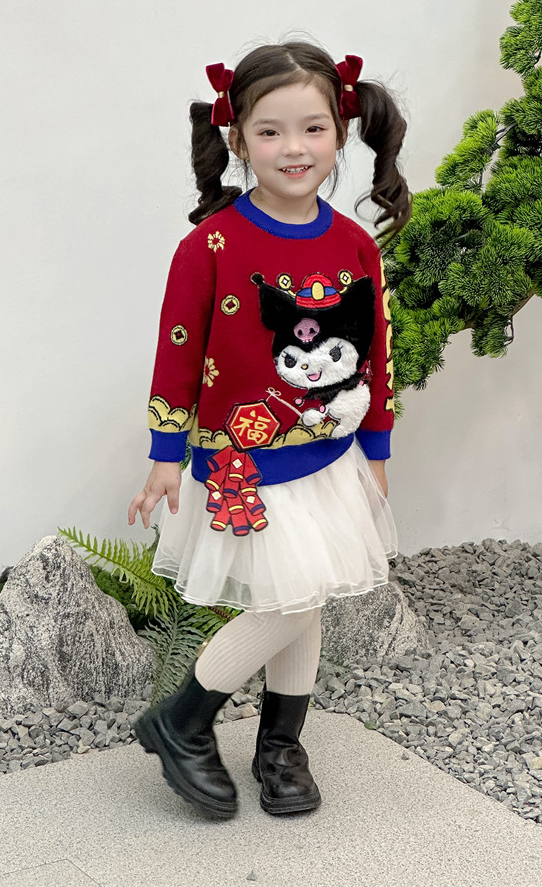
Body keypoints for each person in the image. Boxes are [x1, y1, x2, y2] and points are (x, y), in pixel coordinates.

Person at [128, 41, 410, 820]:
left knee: (305, 599)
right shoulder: (209, 246)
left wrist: (376, 449)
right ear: (238, 137)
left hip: (328, 458)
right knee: (291, 597)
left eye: (313, 128)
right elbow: (178, 352)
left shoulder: (354, 244)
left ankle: (281, 747)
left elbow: (375, 354)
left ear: (341, 132)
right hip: (243, 465)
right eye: (270, 131)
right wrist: (164, 456)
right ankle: (181, 721)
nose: (294, 148)